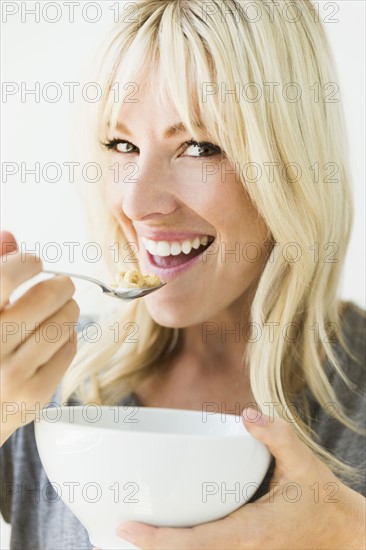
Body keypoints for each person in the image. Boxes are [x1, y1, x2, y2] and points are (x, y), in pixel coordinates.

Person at [1, 1, 365, 549]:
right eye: (122, 144)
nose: (137, 203)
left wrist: (349, 534)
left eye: (199, 146)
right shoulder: (42, 371)